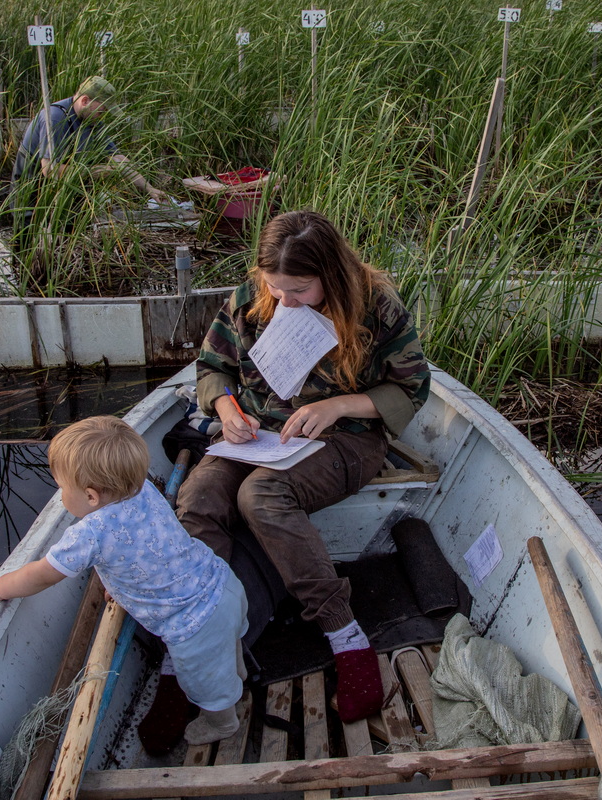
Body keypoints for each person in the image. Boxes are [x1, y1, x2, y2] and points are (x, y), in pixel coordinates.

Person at [175, 210, 431, 723]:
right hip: (258, 435)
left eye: (299, 290)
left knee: (260, 496)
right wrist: (228, 409)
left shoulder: (377, 306)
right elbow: (213, 368)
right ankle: (200, 638)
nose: (284, 301)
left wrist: (337, 405)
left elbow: (411, 388)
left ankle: (345, 635)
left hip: (346, 437)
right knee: (197, 499)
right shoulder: (250, 299)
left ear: (331, 275)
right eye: (275, 287)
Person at [0, 415, 248, 746]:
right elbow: (142, 551)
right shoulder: (142, 488)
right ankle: (237, 677)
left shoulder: (89, 533)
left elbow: (42, 575)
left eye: (62, 488)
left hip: (195, 623)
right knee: (228, 645)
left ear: (91, 496)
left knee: (206, 683)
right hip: (222, 583)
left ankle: (223, 722)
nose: (61, 495)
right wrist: (118, 587)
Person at [10, 76, 172, 270]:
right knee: (28, 250)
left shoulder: (92, 121)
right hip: (31, 192)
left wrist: (149, 189)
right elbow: (50, 170)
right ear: (85, 100)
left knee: (65, 242)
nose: (104, 116)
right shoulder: (54, 118)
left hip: (64, 192)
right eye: (102, 110)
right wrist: (97, 172)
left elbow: (118, 159)